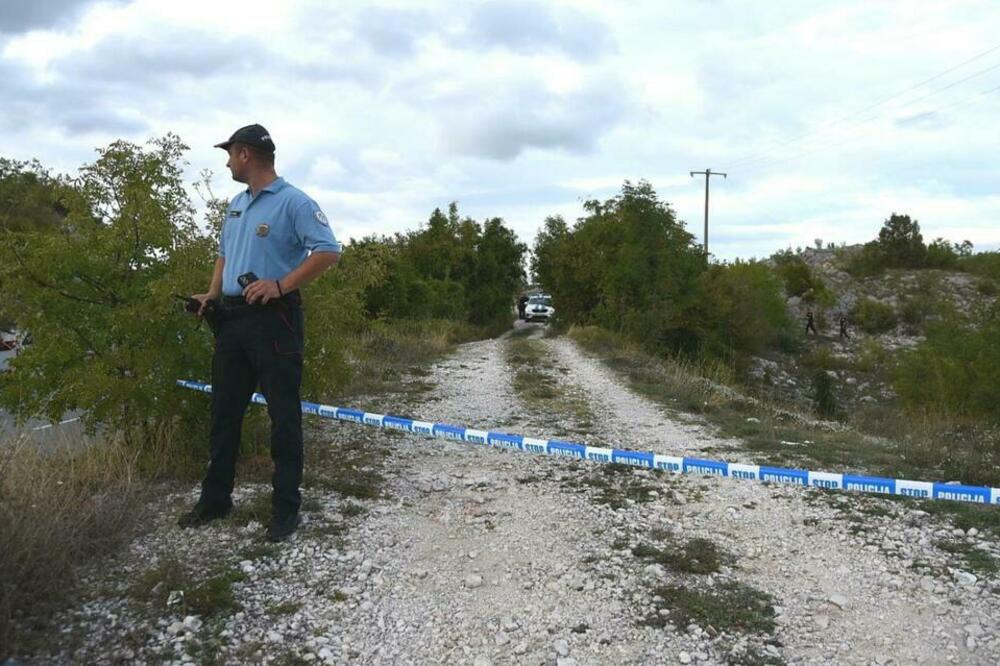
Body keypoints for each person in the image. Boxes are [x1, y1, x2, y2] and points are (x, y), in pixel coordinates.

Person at [179, 124, 341, 542]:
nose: (227, 163)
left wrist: (281, 285)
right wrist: (211, 295)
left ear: (246, 154)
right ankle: (215, 501)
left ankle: (285, 510)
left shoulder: (294, 202)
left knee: (283, 418)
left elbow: (328, 251)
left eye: (230, 154)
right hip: (232, 322)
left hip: (274, 320)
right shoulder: (236, 205)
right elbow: (224, 255)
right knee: (224, 415)